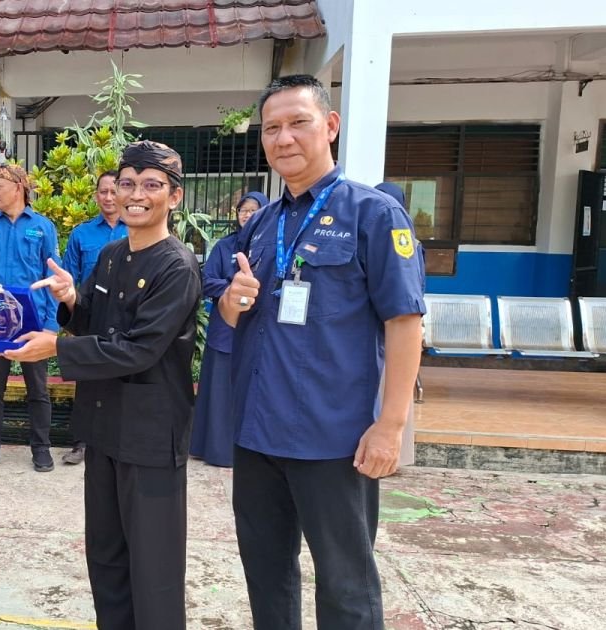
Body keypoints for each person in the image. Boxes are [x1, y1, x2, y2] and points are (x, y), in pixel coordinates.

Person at [218, 74, 425, 629]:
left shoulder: (373, 215)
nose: (283, 138)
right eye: (271, 128)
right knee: (266, 576)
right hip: (258, 434)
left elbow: (406, 324)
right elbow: (233, 313)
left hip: (335, 441)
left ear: (329, 126)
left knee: (345, 584)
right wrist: (233, 302)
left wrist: (390, 425)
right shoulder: (260, 226)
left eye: (298, 123)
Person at [6, 140, 201, 630]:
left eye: (151, 185)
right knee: (107, 561)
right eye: (128, 184)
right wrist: (72, 298)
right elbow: (94, 320)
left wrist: (55, 348)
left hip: (151, 437)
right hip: (106, 428)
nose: (136, 195)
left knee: (153, 570)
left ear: (174, 197)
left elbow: (139, 349)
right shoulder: (113, 255)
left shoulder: (177, 265)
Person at [0, 162, 60, 473]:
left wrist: (51, 327)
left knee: (38, 389)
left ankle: (41, 448)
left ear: (17, 188)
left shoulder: (43, 227)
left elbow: (52, 278)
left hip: (32, 323)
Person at [188, 190, 268, 467]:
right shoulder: (225, 246)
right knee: (220, 390)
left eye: (253, 210)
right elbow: (206, 280)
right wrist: (233, 290)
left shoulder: (272, 245)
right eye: (242, 210)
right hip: (225, 329)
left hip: (262, 331)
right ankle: (217, 450)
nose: (247, 215)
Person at [58, 169, 127, 465]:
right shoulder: (81, 234)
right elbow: (68, 277)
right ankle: (81, 443)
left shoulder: (136, 230)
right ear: (96, 195)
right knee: (86, 383)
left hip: (127, 318)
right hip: (90, 315)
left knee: (122, 380)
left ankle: (118, 441)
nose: (109, 197)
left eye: (114, 191)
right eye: (103, 192)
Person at [374, 181, 423, 468]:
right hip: (374, 328)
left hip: (398, 325)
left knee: (395, 393)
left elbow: (411, 294)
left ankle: (395, 456)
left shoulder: (407, 244)